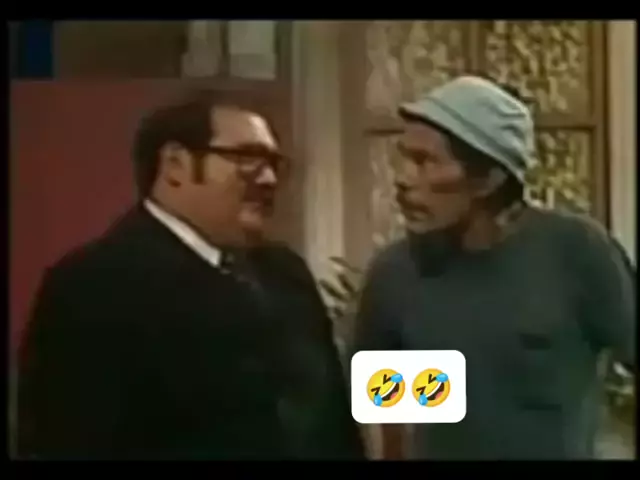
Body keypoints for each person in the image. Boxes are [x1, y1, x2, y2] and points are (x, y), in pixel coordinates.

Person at [17, 90, 363, 460]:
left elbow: (333, 421)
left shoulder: (285, 272)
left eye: (274, 164)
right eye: (247, 158)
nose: (268, 179)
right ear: (175, 165)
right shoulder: (92, 285)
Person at [352, 76, 636, 460]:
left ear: (489, 179)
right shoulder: (397, 273)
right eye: (404, 158)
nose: (402, 179)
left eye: (425, 162)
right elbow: (385, 413)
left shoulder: (577, 252)